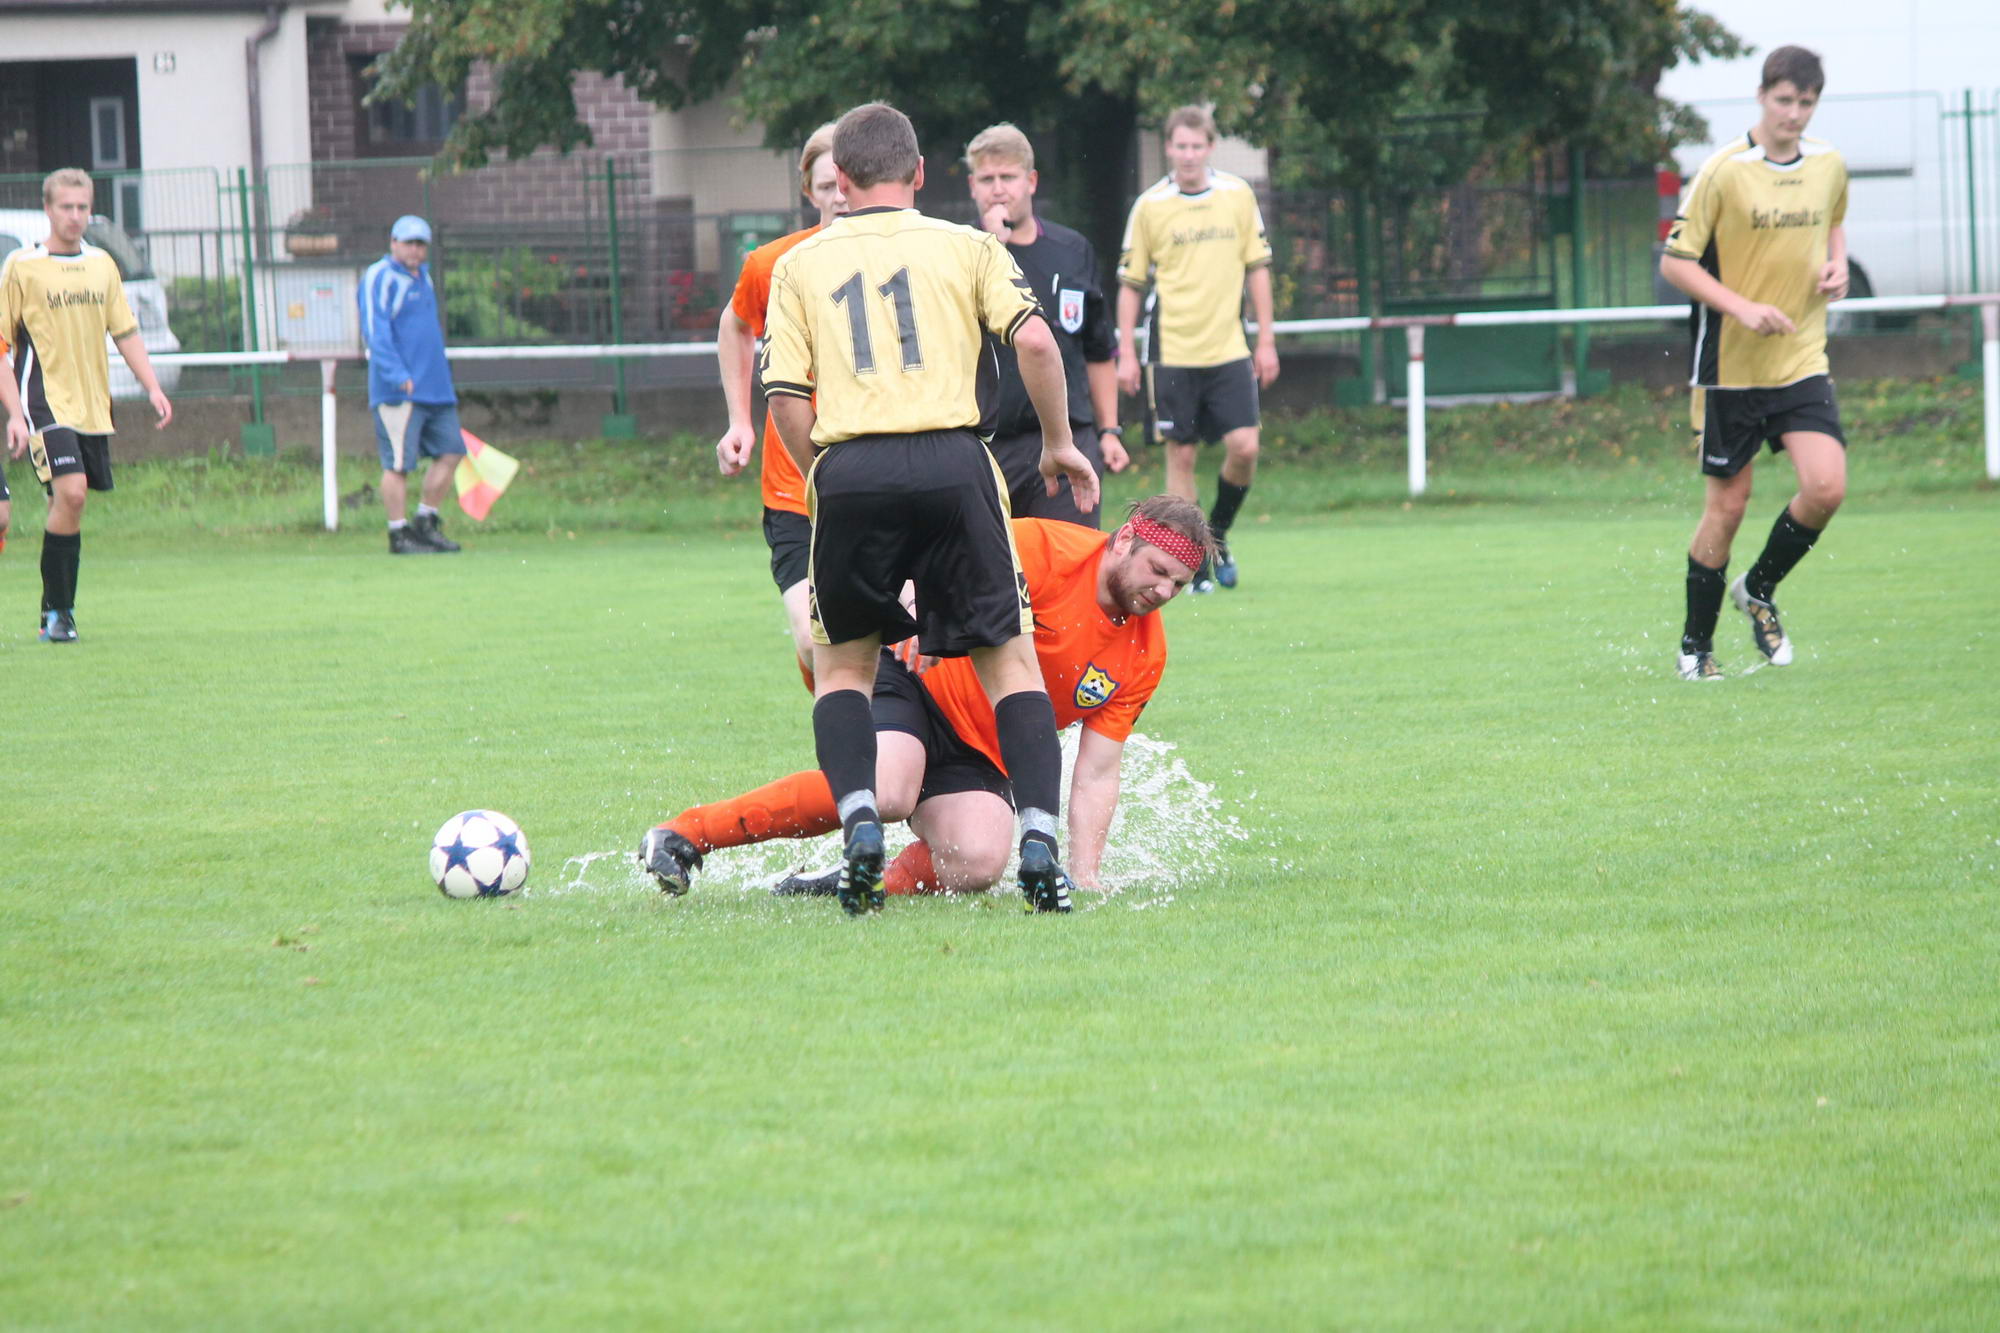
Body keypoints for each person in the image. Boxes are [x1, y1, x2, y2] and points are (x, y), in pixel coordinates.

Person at [742, 101, 1098, 916]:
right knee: (1009, 662)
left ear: (840, 179)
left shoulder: (799, 264)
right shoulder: (969, 245)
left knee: (844, 668)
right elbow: (1036, 342)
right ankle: (1039, 841)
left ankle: (862, 822)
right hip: (955, 464)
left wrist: (825, 476)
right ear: (922, 172)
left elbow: (784, 394)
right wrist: (1057, 443)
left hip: (851, 466)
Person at [639, 497, 1210, 903]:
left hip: (982, 751)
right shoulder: (1047, 547)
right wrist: (916, 598)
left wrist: (1085, 878)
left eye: (1179, 585)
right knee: (889, 790)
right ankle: (688, 832)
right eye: (1158, 571)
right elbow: (949, 552)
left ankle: (865, 879)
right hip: (918, 682)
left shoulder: (1147, 654)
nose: (1164, 591)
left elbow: (1097, 772)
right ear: (1125, 540)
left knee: (980, 861)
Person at [1661, 45, 1849, 682]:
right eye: (1784, 100)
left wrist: (1838, 265)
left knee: (1826, 487)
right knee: (1729, 506)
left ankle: (1759, 588)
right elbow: (1676, 263)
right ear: (1762, 96)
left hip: (1801, 358)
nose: (1793, 113)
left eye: (1805, 103)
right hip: (1731, 368)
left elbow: (1834, 222)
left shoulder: (1828, 164)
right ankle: (1695, 648)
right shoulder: (1724, 171)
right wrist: (1741, 307)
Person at [0, 168, 173, 642]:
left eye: (82, 207)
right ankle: (59, 615)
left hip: (93, 406)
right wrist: (15, 413)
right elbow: (2, 344)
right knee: (72, 493)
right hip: (43, 402)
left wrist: (153, 387)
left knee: (68, 504)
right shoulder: (22, 266)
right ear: (47, 209)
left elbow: (125, 330)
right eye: (65, 207)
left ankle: (54, 609)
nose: (74, 216)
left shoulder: (102, 265)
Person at [1115, 105, 1277, 594]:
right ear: (1169, 148)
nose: (1188, 154)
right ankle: (1195, 565)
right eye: (1180, 146)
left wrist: (1266, 339)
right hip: (1172, 352)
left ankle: (1217, 534)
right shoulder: (1150, 206)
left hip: (1228, 348)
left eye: (1196, 145)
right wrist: (1127, 351)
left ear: (1210, 147)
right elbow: (1131, 284)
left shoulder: (1237, 196)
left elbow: (1258, 268)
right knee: (1180, 458)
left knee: (1245, 447)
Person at [715, 123, 845, 686]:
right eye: (826, 186)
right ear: (809, 192)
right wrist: (739, 421)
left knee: (885, 641)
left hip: (880, 475)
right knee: (814, 639)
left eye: (847, 182)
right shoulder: (773, 264)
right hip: (796, 484)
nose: (840, 196)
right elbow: (735, 324)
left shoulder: (903, 259)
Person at [964, 123, 1126, 527]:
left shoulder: (1072, 250)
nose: (998, 190)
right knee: (995, 563)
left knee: (1068, 556)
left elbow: (1098, 349)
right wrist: (990, 247)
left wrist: (1109, 430)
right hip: (986, 443)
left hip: (1066, 435)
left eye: (1008, 177)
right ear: (972, 186)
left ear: (1031, 181)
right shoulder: (959, 253)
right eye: (987, 179)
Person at [359, 214, 465, 556]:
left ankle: (425, 522)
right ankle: (398, 533)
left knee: (451, 451)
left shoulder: (424, 278)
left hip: (435, 388)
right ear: (393, 243)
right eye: (409, 243)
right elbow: (376, 331)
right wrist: (397, 375)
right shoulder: (380, 276)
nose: (415, 250)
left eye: (421, 244)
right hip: (399, 391)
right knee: (398, 464)